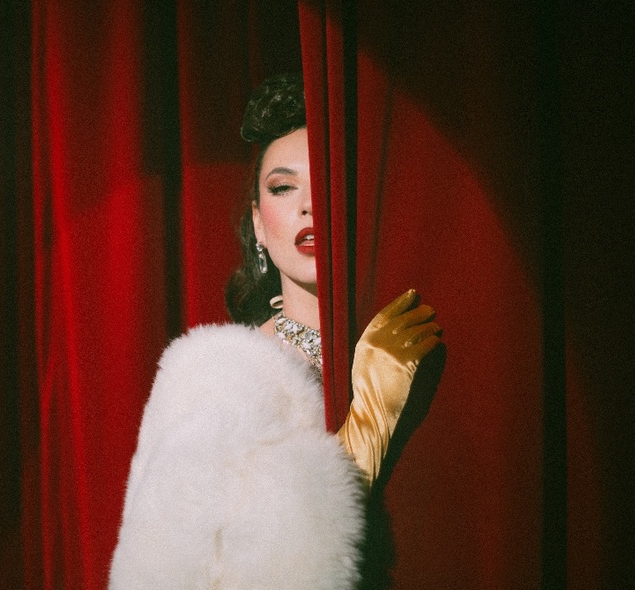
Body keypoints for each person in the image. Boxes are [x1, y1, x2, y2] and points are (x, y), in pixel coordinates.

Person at [109, 73, 442, 590]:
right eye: (284, 187)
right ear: (259, 224)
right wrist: (369, 423)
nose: (309, 205)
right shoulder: (212, 381)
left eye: (326, 183)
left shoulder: (404, 335)